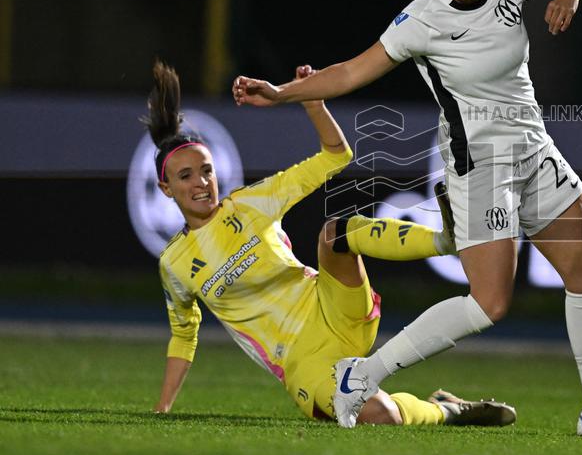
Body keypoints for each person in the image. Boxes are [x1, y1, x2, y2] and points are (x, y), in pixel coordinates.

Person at [232, 0, 582, 439]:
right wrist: (281, 93)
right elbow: (350, 72)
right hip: (478, 164)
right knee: (491, 302)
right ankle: (361, 376)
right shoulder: (421, 20)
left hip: (533, 149)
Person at [147, 60, 515, 428]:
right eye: (186, 176)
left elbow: (336, 156)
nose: (201, 182)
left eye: (207, 170)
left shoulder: (249, 203)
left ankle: (444, 240)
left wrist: (314, 105)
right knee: (380, 416)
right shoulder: (175, 263)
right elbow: (183, 335)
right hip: (301, 363)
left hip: (333, 308)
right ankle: (446, 409)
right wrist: (163, 407)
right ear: (166, 188)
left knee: (333, 235)